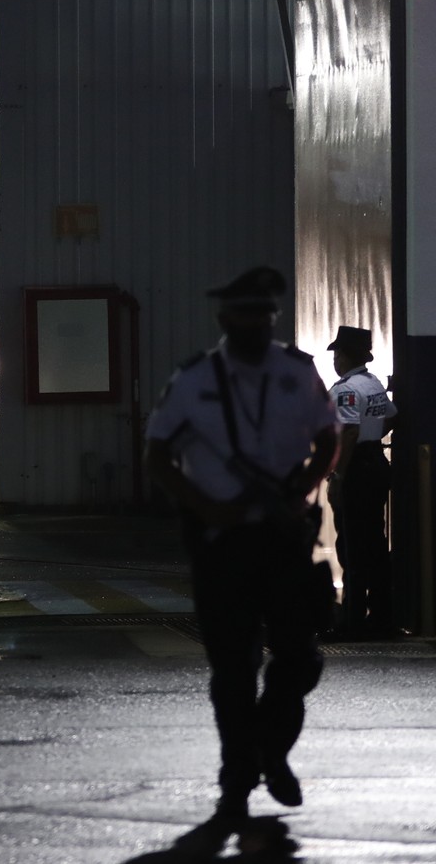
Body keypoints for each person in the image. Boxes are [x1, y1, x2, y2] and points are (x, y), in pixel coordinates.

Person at [144, 266, 339, 825]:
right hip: (221, 540)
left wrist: (301, 491)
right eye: (245, 313)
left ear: (273, 318)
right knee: (233, 667)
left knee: (299, 659)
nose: (256, 322)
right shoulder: (194, 381)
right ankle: (237, 776)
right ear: (224, 318)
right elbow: (157, 457)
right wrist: (206, 507)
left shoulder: (297, 373)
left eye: (265, 314)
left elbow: (328, 438)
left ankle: (269, 752)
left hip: (283, 535)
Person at [325, 324, 397, 638]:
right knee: (375, 546)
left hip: (355, 470)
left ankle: (352, 623)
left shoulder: (346, 389)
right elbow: (392, 416)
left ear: (344, 355)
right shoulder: (373, 384)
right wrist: (373, 439)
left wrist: (338, 475)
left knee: (352, 547)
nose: (334, 359)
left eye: (337, 353)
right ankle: (381, 618)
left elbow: (349, 431)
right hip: (376, 464)